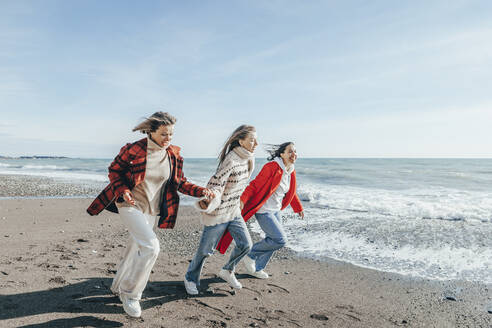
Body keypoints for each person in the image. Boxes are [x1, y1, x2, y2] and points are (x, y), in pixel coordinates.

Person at [87, 112, 213, 317]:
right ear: (151, 132)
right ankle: (130, 294)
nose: (168, 138)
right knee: (152, 247)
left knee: (135, 246)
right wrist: (124, 191)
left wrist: (201, 191)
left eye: (171, 134)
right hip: (130, 205)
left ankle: (117, 286)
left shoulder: (173, 154)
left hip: (153, 209)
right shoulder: (135, 149)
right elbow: (114, 171)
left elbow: (179, 182)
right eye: (164, 134)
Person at [183, 125, 257, 295]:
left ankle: (227, 270)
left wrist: (240, 201)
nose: (256, 143)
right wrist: (208, 198)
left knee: (246, 245)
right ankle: (190, 278)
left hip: (233, 210)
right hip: (219, 212)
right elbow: (217, 182)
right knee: (205, 251)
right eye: (252, 140)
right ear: (240, 141)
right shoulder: (231, 159)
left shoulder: (248, 158)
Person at [216, 142, 304, 279]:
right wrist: (243, 200)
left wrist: (298, 208)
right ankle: (250, 255)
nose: (294, 154)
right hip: (264, 210)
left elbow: (291, 191)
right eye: (290, 152)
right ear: (282, 154)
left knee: (272, 240)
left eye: (295, 151)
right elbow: (255, 185)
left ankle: (257, 269)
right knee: (280, 240)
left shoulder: (290, 170)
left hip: (276, 210)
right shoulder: (272, 167)